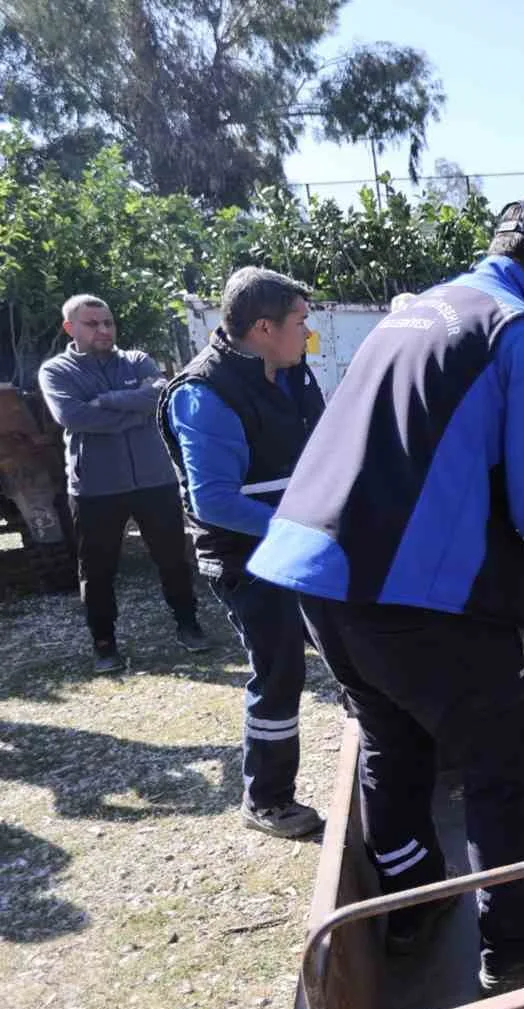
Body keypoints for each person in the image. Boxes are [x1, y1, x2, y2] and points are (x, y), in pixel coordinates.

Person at [246, 194, 524, 994]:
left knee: (393, 743)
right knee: (504, 759)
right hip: (417, 594)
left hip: (320, 575)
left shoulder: (421, 309)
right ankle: (517, 940)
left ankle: (409, 904)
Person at [157, 268, 324, 839]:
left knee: (353, 644)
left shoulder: (292, 372)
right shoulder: (204, 395)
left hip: (305, 545)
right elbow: (216, 501)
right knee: (278, 671)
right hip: (248, 558)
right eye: (300, 322)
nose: (308, 333)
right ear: (262, 327)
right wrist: (300, 527)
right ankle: (267, 798)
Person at [38, 295, 209, 674]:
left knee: (173, 560)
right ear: (71, 328)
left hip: (155, 479)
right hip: (96, 488)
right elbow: (74, 416)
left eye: (108, 322)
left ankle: (188, 624)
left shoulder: (136, 360)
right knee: (97, 571)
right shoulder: (57, 371)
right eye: (92, 323)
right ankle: (104, 644)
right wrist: (133, 412)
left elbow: (159, 397)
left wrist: (107, 401)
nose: (103, 330)